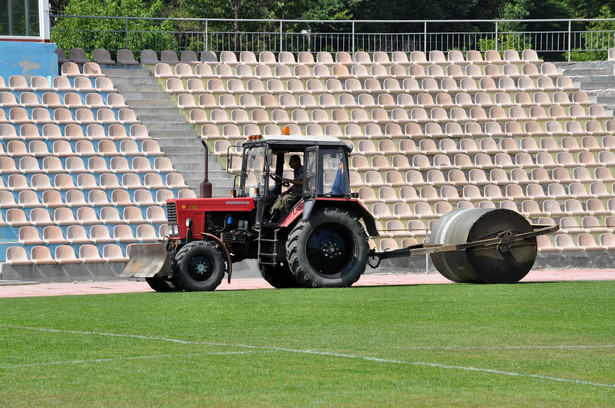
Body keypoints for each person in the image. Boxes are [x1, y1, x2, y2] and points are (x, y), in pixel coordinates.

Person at [269, 154, 303, 222]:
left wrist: (288, 180)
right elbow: (295, 185)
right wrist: (286, 191)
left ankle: (286, 218)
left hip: (302, 193)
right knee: (281, 196)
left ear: (297, 162)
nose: (289, 163)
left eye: (291, 161)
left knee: (286, 198)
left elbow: (302, 182)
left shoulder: (302, 170)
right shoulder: (296, 171)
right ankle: (274, 214)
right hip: (296, 192)